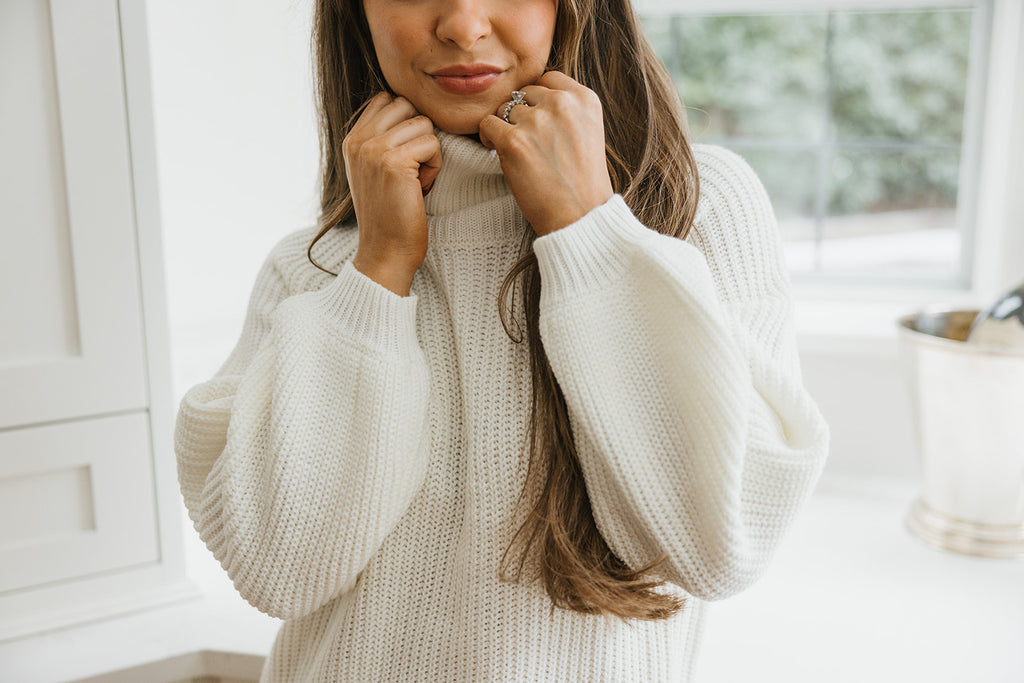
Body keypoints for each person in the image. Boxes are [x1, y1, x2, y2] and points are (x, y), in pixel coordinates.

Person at [173, 0, 830, 679]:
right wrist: (380, 271)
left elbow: (719, 545)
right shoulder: (314, 265)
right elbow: (278, 571)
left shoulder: (693, 206)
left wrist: (588, 233)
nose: (462, 24)